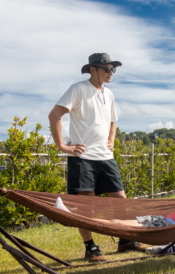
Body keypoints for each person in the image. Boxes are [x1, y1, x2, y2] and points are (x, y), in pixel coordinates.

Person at [48, 52, 148, 262]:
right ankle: (90, 248)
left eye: (113, 69)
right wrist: (62, 146)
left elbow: (113, 120)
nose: (111, 73)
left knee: (120, 201)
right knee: (87, 206)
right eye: (107, 69)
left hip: (105, 157)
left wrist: (111, 140)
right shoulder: (78, 89)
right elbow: (54, 115)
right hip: (82, 157)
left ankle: (126, 240)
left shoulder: (109, 94)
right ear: (93, 70)